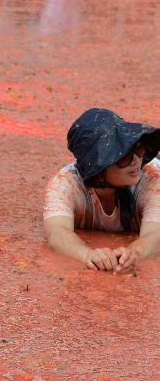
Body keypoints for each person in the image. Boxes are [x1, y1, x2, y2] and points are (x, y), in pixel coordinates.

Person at [44, 108, 160, 272]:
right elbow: (57, 233)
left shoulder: (153, 181)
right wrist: (87, 255)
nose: (136, 161)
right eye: (124, 155)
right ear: (99, 167)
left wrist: (134, 253)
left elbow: (156, 235)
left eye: (138, 148)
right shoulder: (65, 184)